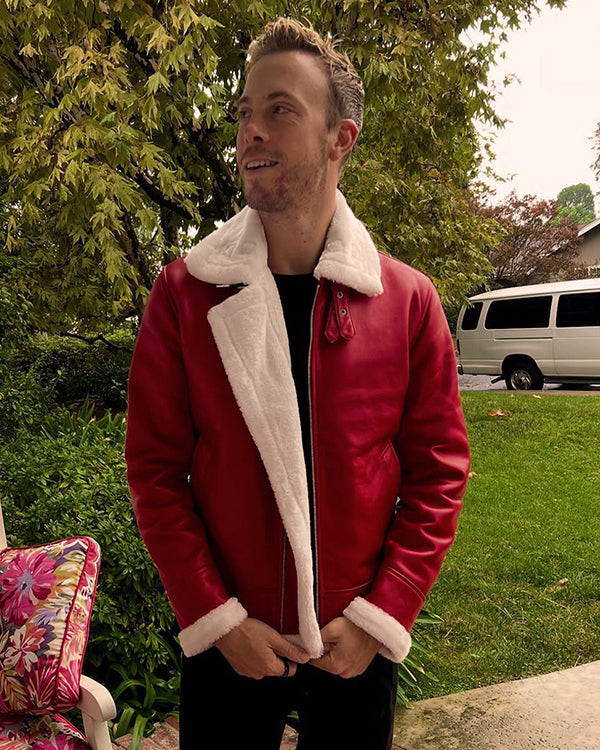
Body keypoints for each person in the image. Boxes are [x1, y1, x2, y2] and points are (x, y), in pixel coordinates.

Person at [125, 17, 470, 750]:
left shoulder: (407, 303)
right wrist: (219, 619)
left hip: (356, 642)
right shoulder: (184, 296)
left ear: (341, 138)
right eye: (245, 111)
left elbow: (439, 474)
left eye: (280, 109)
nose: (251, 129)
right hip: (233, 644)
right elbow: (155, 473)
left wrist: (383, 614)